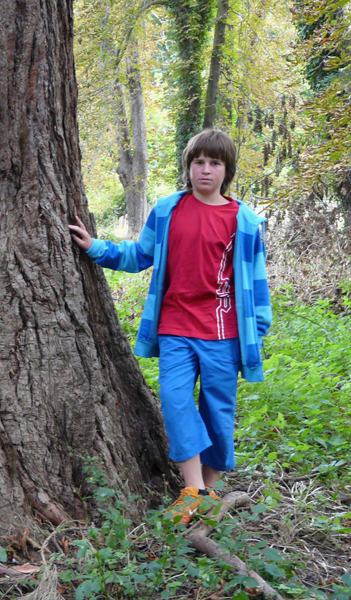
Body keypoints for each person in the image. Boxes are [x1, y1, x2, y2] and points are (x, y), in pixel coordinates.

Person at [69, 129, 271, 524]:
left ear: (226, 170)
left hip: (223, 334)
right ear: (188, 166)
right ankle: (192, 489)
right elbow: (140, 254)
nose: (205, 170)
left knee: (218, 413)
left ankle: (209, 491)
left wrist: (257, 331)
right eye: (199, 162)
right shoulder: (167, 210)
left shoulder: (243, 221)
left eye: (215, 163)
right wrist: (96, 247)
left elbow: (256, 281)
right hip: (176, 328)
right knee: (176, 403)